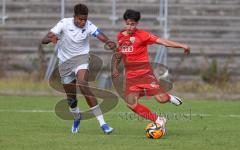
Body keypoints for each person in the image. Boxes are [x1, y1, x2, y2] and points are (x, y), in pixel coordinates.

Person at [42, 3, 115, 134]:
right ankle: (77, 118)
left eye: (85, 19)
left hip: (81, 59)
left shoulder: (89, 25)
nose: (83, 22)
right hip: (65, 63)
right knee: (71, 99)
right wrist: (51, 38)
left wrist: (109, 43)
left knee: (83, 84)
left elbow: (100, 34)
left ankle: (103, 123)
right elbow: (45, 38)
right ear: (74, 17)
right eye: (80, 19)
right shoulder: (64, 23)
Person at [112, 9, 190, 128]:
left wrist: (181, 45)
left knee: (161, 99)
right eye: (127, 24)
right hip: (131, 78)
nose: (130, 27)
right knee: (131, 103)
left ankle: (168, 97)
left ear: (137, 24)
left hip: (145, 75)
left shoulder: (143, 35)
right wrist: (115, 68)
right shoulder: (120, 36)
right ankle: (158, 120)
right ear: (124, 22)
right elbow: (118, 53)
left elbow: (163, 41)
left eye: (132, 24)